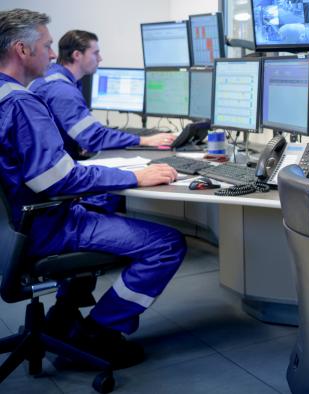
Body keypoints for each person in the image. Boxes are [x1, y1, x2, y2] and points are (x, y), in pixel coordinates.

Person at [0, 9, 187, 369]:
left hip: (15, 228)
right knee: (166, 244)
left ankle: (64, 314)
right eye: (47, 45)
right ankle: (100, 331)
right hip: (46, 226)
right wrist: (134, 177)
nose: (52, 55)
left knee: (103, 205)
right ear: (22, 50)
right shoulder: (21, 105)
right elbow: (57, 179)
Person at [29, 29, 175, 160]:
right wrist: (145, 140)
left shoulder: (53, 77)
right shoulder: (63, 91)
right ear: (77, 55)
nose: (100, 58)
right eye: (95, 53)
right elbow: (93, 138)